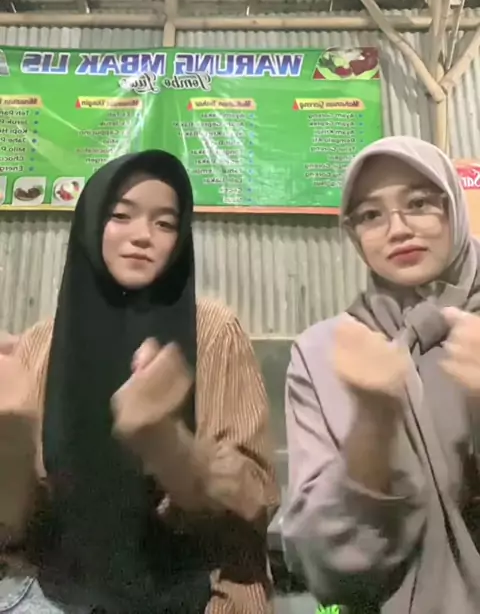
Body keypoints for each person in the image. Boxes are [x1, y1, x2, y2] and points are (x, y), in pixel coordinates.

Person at [0, 150, 278, 613]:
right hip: (65, 598)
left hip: (200, 597)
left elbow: (257, 498)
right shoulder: (42, 344)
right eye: (120, 215)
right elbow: (21, 529)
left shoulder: (212, 333)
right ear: (91, 223)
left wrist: (170, 445)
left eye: (165, 223)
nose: (142, 236)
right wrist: (9, 445)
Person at [282, 136, 480, 614]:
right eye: (371, 214)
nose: (398, 229)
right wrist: (372, 425)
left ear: (453, 208)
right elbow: (321, 565)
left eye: (419, 203)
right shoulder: (326, 353)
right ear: (353, 234)